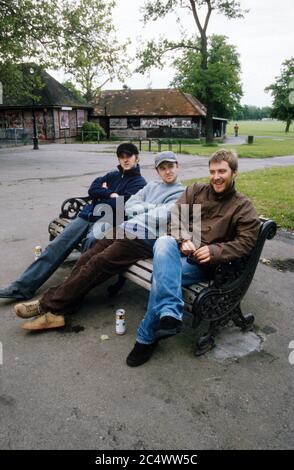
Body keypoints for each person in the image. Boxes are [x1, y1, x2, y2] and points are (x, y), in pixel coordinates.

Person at [13, 151, 185, 331]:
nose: (168, 171)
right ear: (157, 171)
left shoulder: (181, 192)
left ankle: (46, 304)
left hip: (143, 238)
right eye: (163, 168)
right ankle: (60, 313)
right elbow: (128, 205)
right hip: (124, 228)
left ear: (177, 166)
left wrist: (143, 209)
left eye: (171, 167)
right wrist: (151, 208)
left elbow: (163, 215)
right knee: (85, 259)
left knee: (98, 263)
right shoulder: (152, 187)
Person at [126, 149, 261, 367]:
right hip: (177, 252)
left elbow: (246, 242)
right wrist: (183, 238)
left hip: (205, 265)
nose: (216, 177)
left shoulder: (242, 207)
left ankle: (145, 337)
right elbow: (176, 217)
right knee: (163, 241)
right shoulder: (196, 190)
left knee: (161, 277)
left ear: (234, 172)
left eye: (222, 171)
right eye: (212, 171)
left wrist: (215, 251)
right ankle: (171, 311)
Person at [0, 143, 146, 301]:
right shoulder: (112, 175)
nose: (125, 160)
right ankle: (22, 287)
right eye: (121, 156)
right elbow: (92, 189)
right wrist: (111, 194)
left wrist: (104, 196)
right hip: (86, 215)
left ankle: (71, 291)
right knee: (56, 246)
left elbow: (121, 205)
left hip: (108, 219)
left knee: (91, 242)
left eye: (128, 156)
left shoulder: (139, 183)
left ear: (136, 158)